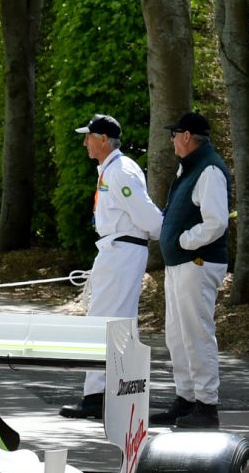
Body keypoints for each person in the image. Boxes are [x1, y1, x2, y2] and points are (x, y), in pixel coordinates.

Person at [59, 115, 163, 419]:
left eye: (88, 137)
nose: (85, 143)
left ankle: (97, 394)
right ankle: (111, 391)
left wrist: (165, 232)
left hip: (122, 250)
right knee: (113, 320)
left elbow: (146, 214)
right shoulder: (113, 169)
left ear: (103, 139)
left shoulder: (120, 171)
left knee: (105, 321)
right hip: (117, 248)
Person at [158, 111, 230, 428]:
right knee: (177, 335)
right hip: (181, 263)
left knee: (196, 333)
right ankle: (186, 399)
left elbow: (216, 221)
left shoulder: (209, 169)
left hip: (197, 262)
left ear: (187, 136)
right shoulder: (190, 167)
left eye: (174, 134)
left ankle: (206, 405)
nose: (172, 140)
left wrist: (184, 240)